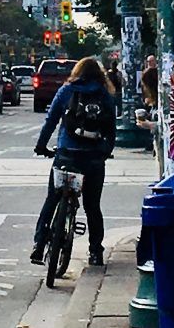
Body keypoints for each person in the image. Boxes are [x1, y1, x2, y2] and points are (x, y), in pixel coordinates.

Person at [32, 57, 116, 267]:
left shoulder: (67, 90)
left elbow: (50, 121)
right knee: (92, 206)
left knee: (52, 199)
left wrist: (41, 146)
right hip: (93, 158)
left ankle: (39, 245)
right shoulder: (104, 94)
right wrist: (105, 151)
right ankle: (95, 251)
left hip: (67, 154)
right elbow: (111, 128)